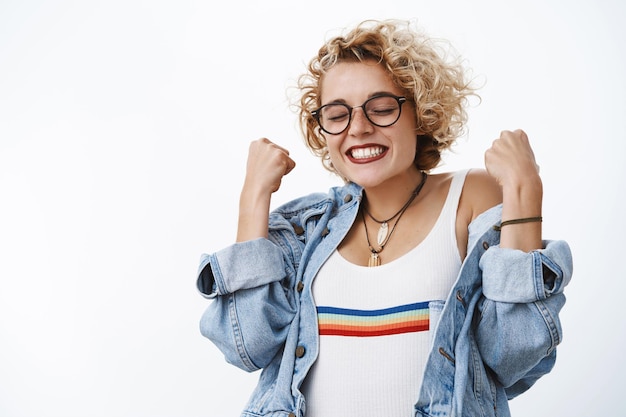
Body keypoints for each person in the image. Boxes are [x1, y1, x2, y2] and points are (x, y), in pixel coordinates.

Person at [196, 19, 573, 417]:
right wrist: (252, 200)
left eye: (381, 108)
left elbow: (512, 356)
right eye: (337, 114)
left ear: (421, 112)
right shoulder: (308, 229)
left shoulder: (470, 197)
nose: (358, 128)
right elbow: (248, 348)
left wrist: (524, 192)